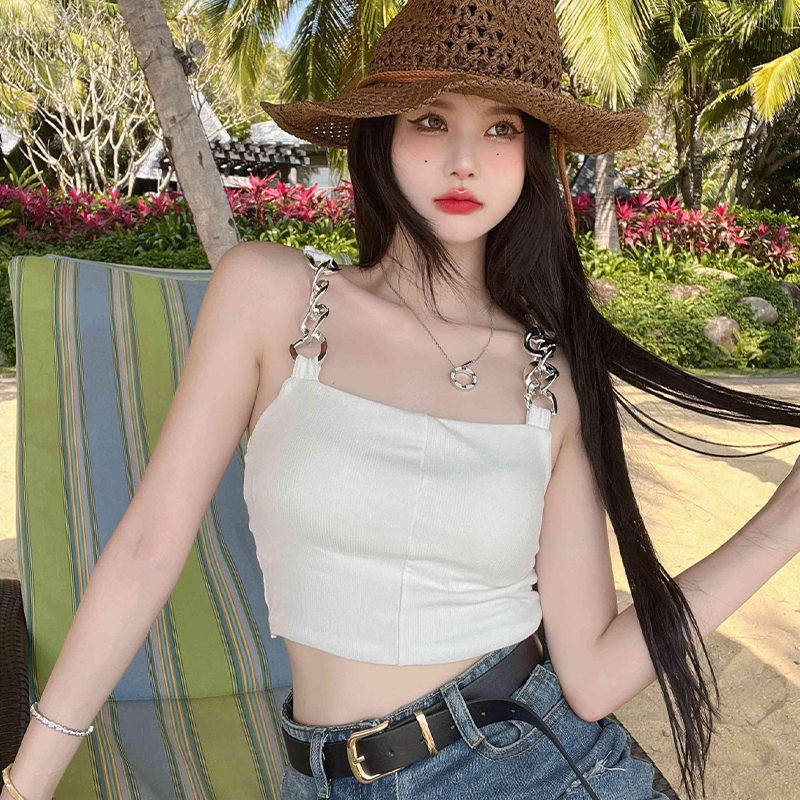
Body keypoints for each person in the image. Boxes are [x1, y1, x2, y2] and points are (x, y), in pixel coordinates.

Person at [4, 1, 800, 799]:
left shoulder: (550, 379)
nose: (464, 161)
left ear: (532, 155)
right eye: (431, 120)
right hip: (322, 777)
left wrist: (784, 522)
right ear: (381, 134)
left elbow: (592, 677)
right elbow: (147, 548)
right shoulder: (275, 296)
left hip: (529, 766)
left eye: (501, 129)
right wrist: (26, 783)